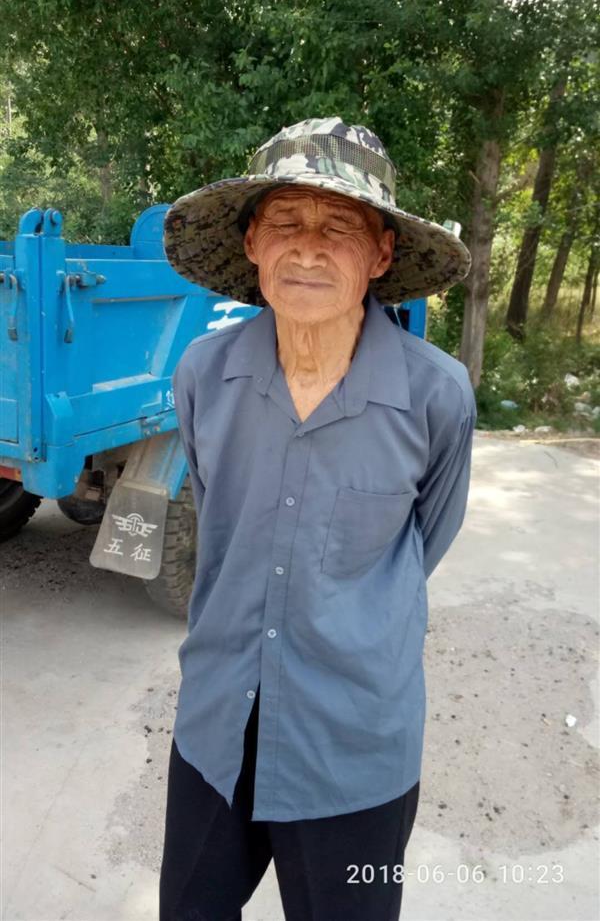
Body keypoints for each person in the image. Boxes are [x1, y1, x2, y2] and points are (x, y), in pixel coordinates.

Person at [159, 116, 477, 921]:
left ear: (382, 255)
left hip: (352, 746)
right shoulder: (204, 374)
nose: (308, 249)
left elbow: (424, 543)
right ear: (251, 243)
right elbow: (218, 511)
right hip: (216, 724)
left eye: (339, 227)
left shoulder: (435, 394)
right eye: (285, 223)